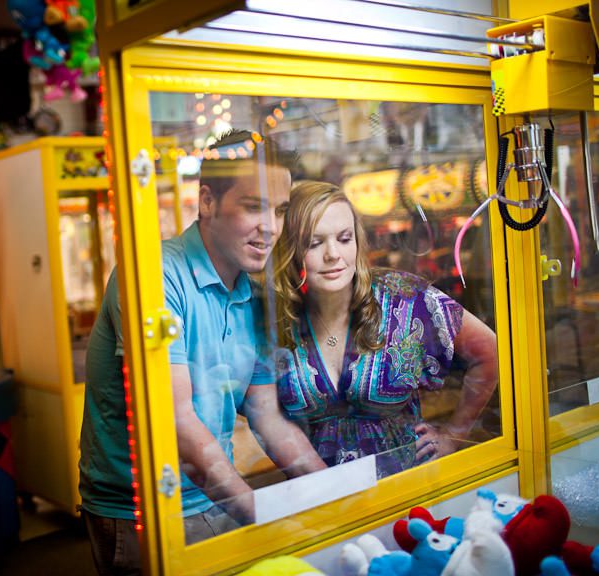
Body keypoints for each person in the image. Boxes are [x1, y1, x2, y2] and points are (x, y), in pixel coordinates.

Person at [79, 131, 326, 575]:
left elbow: (267, 416)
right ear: (207, 202)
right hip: (146, 509)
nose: (270, 226)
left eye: (280, 210)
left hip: (217, 493)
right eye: (254, 206)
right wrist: (260, 516)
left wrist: (330, 489)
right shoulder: (153, 277)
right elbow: (176, 420)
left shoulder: (250, 295)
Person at [272, 180, 498, 477]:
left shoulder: (403, 298)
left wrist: (454, 434)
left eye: (344, 238)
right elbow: (260, 414)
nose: (333, 255)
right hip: (317, 503)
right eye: (314, 243)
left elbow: (489, 351)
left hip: (405, 491)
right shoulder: (276, 316)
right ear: (289, 250)